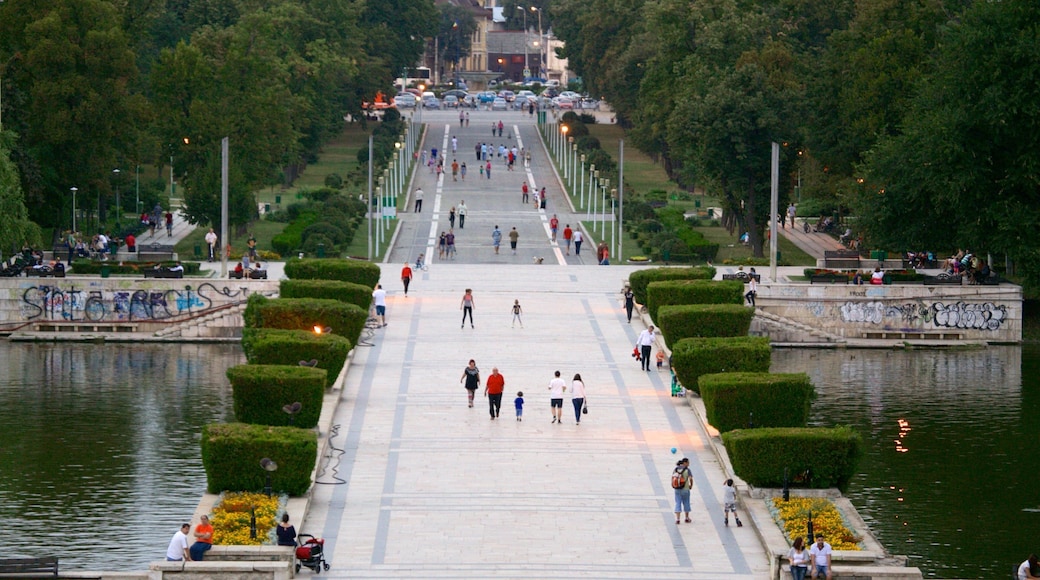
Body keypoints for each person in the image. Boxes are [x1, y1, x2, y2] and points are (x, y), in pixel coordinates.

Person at [672, 458, 693, 524]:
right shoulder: (687, 470)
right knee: (686, 502)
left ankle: (678, 519)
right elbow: (690, 478)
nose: (689, 464)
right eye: (688, 462)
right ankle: (686, 518)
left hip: (677, 489)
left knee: (678, 502)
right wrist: (691, 485)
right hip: (685, 489)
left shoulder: (675, 469)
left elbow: (673, 477)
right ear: (685, 463)